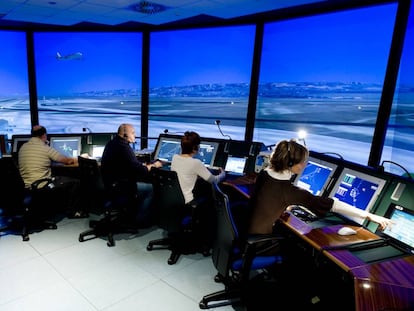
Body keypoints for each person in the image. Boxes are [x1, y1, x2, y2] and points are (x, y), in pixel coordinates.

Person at [248, 139, 393, 235]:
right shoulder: (289, 191)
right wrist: (368, 215)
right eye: (303, 161)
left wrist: (283, 206)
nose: (305, 164)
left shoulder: (265, 174)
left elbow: (269, 198)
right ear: (292, 164)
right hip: (261, 244)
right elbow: (332, 204)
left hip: (247, 232)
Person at [100, 123, 163, 227]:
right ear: (125, 135)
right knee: (150, 188)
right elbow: (139, 170)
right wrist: (154, 165)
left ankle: (131, 215)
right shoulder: (124, 147)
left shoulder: (112, 143)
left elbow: (127, 164)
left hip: (110, 184)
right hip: (119, 187)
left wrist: (140, 165)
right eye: (133, 133)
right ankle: (140, 221)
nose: (135, 135)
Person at [18, 125, 87, 218]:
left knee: (59, 178)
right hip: (41, 184)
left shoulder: (23, 147)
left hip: (26, 185)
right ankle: (73, 212)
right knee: (75, 182)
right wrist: (82, 157)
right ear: (44, 136)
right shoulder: (44, 148)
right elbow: (67, 161)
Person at [170, 131, 226, 205]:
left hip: (175, 198)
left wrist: (198, 174)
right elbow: (214, 180)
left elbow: (185, 174)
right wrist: (223, 174)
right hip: (189, 201)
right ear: (194, 148)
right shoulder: (196, 162)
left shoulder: (175, 158)